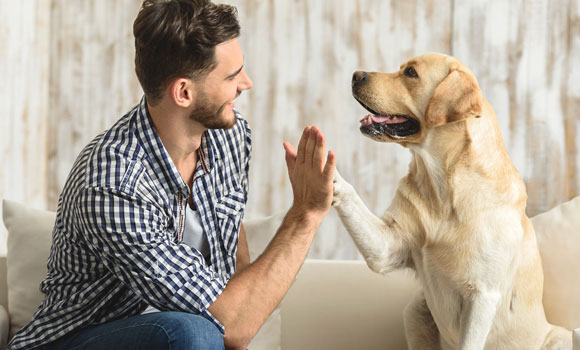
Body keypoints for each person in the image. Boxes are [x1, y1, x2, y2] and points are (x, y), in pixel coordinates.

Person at [8, 0, 335, 349]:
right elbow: (232, 325)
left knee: (198, 331)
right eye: (231, 75)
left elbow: (232, 249)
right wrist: (306, 214)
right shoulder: (112, 182)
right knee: (190, 331)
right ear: (183, 92)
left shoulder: (230, 135)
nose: (246, 83)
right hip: (79, 339)